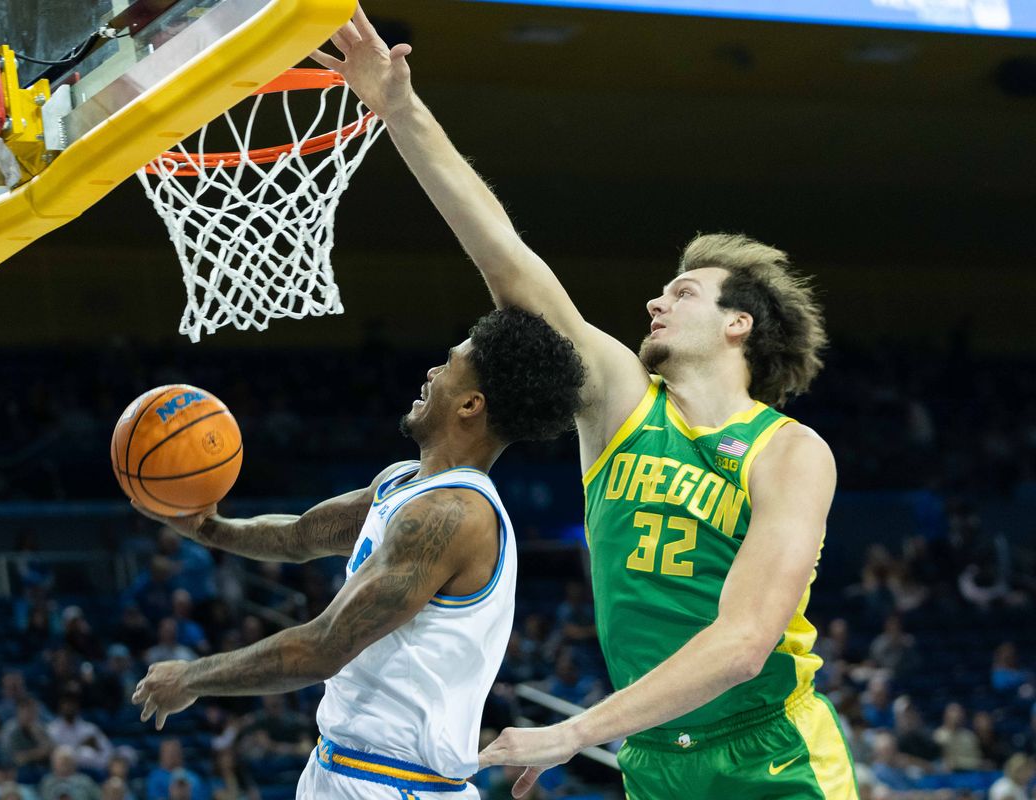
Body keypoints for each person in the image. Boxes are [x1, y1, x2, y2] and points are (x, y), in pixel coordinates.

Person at [313, 7, 852, 798]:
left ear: (738, 324)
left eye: (684, 292)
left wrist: (574, 730)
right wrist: (401, 109)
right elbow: (508, 261)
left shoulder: (790, 452)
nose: (656, 302)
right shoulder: (623, 407)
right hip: (654, 758)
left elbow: (742, 643)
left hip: (772, 754)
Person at [130, 307, 586, 799]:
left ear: (470, 404)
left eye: (448, 365)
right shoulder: (401, 483)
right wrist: (206, 528)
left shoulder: (452, 514)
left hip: (397, 783)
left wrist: (192, 678)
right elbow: (300, 536)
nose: (432, 372)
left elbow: (324, 646)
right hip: (341, 766)